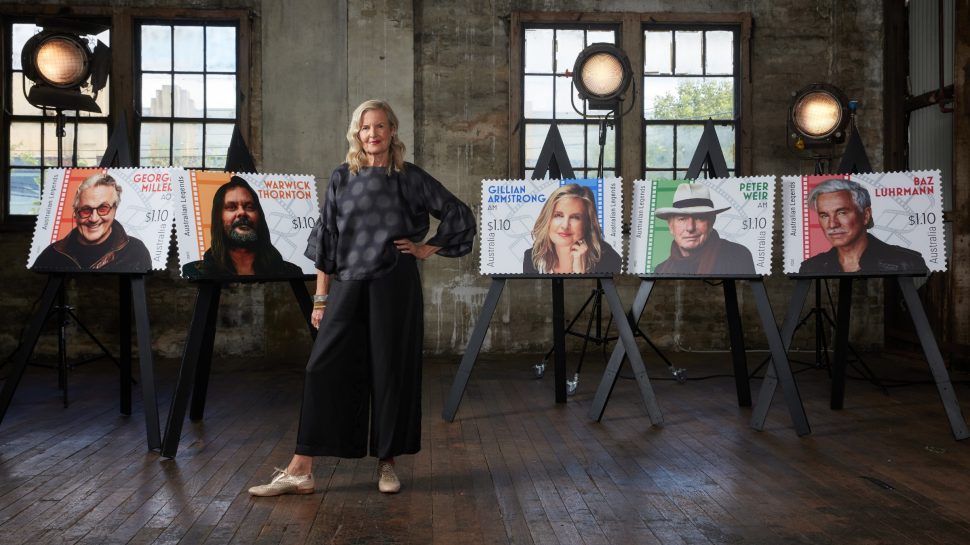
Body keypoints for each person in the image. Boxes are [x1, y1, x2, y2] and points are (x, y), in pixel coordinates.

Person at [248, 99, 475, 497]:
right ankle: (301, 468)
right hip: (348, 284)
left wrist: (427, 248)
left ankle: (387, 463)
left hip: (394, 284)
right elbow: (326, 243)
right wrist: (320, 299)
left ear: (392, 132)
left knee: (389, 371)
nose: (374, 133)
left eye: (381, 126)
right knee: (321, 369)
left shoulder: (410, 177)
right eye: (366, 127)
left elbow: (457, 212)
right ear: (357, 133)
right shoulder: (341, 178)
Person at [798, 178, 927, 274]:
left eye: (842, 213)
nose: (832, 224)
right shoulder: (810, 267)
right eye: (824, 215)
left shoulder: (907, 262)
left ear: (865, 216)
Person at [181, 176, 303, 277]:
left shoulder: (291, 272)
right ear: (219, 217)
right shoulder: (195, 272)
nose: (242, 213)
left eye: (249, 207)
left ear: (259, 216)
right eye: (232, 207)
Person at [33, 173, 151, 272]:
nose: (94, 219)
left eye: (103, 208)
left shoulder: (136, 252)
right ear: (76, 212)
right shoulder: (51, 254)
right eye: (86, 210)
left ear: (114, 210)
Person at [653, 182, 756, 275]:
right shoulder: (661, 270)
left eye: (699, 218)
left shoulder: (738, 256)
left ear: (711, 222)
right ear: (671, 226)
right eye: (682, 219)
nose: (690, 227)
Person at [522, 183, 621, 274]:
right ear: (548, 219)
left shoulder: (609, 259)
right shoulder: (532, 258)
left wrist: (582, 275)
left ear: (587, 223)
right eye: (558, 215)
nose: (565, 226)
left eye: (575, 217)